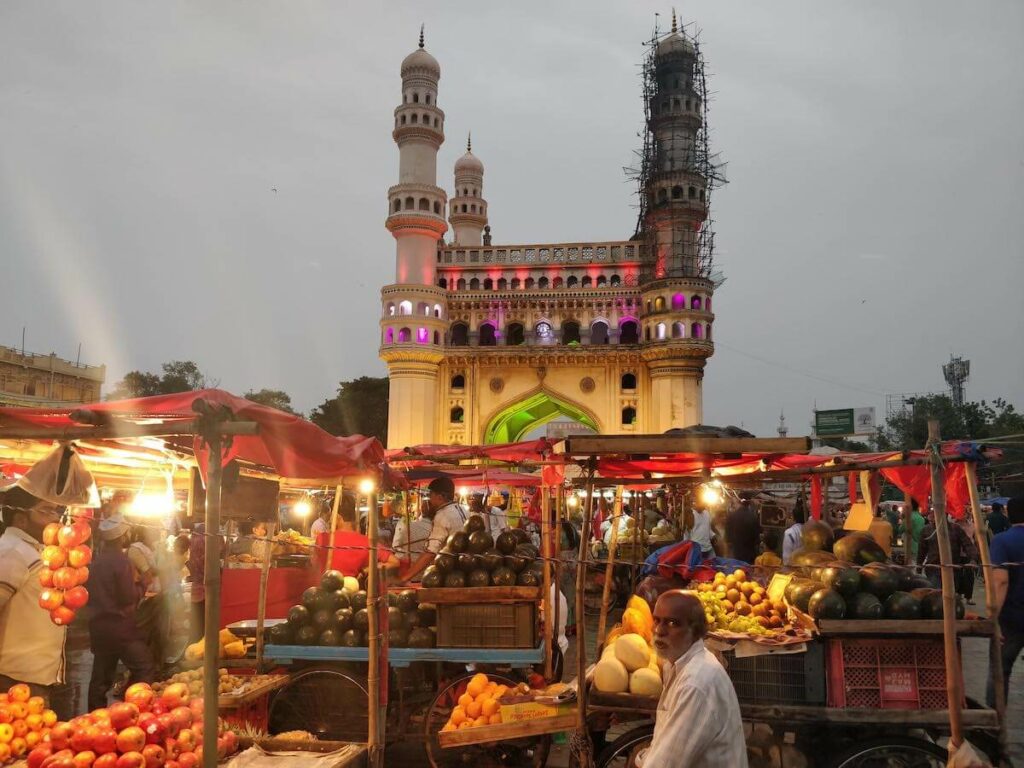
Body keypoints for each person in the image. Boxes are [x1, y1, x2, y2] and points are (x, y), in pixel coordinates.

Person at [637, 590, 747, 768]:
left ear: (695, 630)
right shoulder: (676, 664)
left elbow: (666, 764)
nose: (659, 630)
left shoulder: (697, 683)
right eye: (656, 620)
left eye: (672, 623)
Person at [0, 486, 72, 718]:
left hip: (30, 679)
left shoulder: (34, 551)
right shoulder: (12, 552)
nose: (55, 519)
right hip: (14, 681)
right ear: (21, 518)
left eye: (55, 511)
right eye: (46, 511)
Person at [87, 515, 156, 709]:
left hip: (98, 628)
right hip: (120, 628)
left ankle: (94, 717)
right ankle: (132, 709)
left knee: (100, 678)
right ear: (123, 537)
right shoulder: (121, 562)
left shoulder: (97, 562)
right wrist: (142, 584)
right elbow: (127, 597)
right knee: (144, 667)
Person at [988, 497, 1024, 708]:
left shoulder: (1002, 541)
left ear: (1008, 514)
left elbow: (1000, 581)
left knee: (999, 672)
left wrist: (993, 619)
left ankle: (994, 725)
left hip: (1012, 619)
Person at [400, 477, 467, 583]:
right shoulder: (463, 509)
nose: (429, 499)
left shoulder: (443, 515)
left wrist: (404, 578)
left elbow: (430, 552)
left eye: (431, 495)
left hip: (452, 572)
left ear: (440, 497)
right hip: (467, 568)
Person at [314, 493, 398, 576]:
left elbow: (314, 564)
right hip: (355, 587)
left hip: (326, 587)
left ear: (338, 517)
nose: (330, 519)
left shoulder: (322, 539)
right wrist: (366, 570)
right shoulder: (367, 542)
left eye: (331, 515)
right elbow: (395, 562)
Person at [725, 492, 761, 564]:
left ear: (739, 501)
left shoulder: (731, 516)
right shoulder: (753, 517)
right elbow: (757, 538)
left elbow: (728, 538)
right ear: (749, 502)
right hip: (750, 554)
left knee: (736, 574)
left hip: (735, 554)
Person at [899, 499, 926, 567]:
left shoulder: (909, 518)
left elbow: (900, 530)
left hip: (910, 545)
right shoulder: (921, 518)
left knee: (911, 566)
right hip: (919, 545)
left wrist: (902, 519)